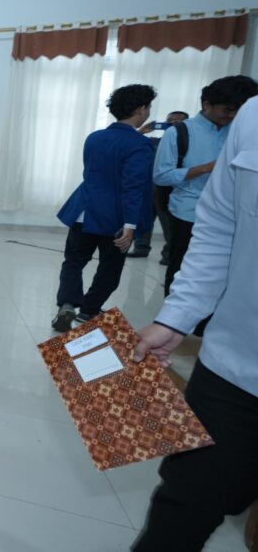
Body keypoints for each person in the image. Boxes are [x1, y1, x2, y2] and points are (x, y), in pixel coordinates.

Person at [130, 95, 258, 551]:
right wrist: (176, 317)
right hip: (232, 367)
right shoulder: (253, 116)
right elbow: (220, 228)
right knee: (183, 504)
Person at [52, 84, 155, 332]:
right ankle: (88, 310)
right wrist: (130, 225)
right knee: (110, 268)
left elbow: (97, 171)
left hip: (84, 211)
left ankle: (67, 304)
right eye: (149, 107)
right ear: (141, 109)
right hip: (116, 218)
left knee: (73, 262)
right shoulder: (141, 145)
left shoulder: (95, 137)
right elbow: (133, 186)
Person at [153, 75, 256, 296]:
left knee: (223, 273)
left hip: (231, 214)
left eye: (238, 111)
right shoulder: (178, 132)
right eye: (227, 110)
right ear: (207, 104)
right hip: (188, 212)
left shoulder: (240, 131)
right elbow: (161, 176)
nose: (232, 116)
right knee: (181, 269)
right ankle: (174, 315)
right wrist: (207, 168)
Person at [127, 110, 188, 262]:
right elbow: (131, 143)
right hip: (148, 186)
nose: (172, 124)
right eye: (169, 121)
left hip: (170, 187)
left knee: (168, 222)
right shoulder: (154, 142)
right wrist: (142, 131)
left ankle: (169, 254)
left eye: (177, 122)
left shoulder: (187, 145)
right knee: (144, 218)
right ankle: (141, 248)